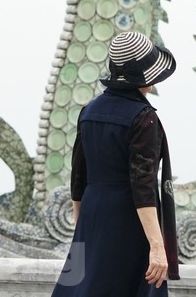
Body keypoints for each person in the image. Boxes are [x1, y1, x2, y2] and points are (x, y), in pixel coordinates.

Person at [51, 31, 180, 296]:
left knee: (83, 289)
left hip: (93, 212)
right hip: (129, 220)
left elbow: (79, 176)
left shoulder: (89, 112)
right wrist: (157, 246)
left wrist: (82, 225)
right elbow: (142, 187)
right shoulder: (144, 118)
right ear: (143, 76)